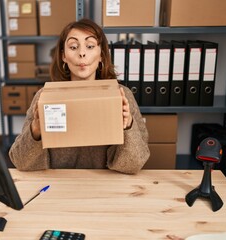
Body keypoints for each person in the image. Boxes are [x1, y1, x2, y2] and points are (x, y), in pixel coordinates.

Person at [9, 18, 150, 174]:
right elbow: (20, 162)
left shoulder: (122, 96)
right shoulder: (45, 97)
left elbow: (136, 164)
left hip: (108, 186)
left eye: (90, 46)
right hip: (59, 186)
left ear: (101, 54)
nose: (82, 53)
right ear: (63, 56)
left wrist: (128, 125)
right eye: (73, 47)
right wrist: (35, 130)